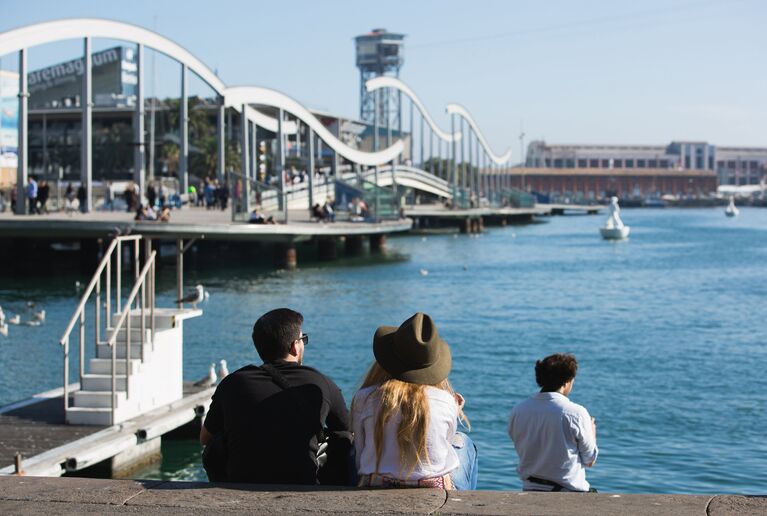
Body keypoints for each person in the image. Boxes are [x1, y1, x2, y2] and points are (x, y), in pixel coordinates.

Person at [201, 308, 352, 485]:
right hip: (303, 483)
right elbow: (346, 431)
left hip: (240, 483)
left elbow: (205, 438)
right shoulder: (321, 383)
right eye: (303, 339)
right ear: (295, 346)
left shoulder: (232, 383)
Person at [351, 313, 478, 490]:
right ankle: (461, 505)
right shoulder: (445, 400)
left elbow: (360, 449)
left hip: (375, 483)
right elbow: (443, 445)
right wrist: (454, 411)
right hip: (434, 489)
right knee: (465, 443)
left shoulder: (364, 397)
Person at [508, 353, 598, 492]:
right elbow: (589, 460)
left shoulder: (518, 410)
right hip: (569, 492)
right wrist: (592, 432)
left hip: (530, 489)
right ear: (567, 381)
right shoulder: (576, 413)